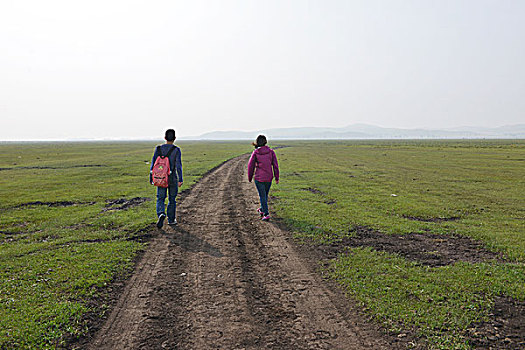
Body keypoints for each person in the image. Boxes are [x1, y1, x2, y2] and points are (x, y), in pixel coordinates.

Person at [150, 129, 183, 228]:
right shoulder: (176, 150)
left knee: (160, 198)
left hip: (160, 177)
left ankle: (160, 213)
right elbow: (178, 166)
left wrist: (151, 177)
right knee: (172, 199)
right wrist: (180, 179)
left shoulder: (158, 149)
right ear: (175, 138)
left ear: (164, 138)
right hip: (172, 178)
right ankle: (171, 220)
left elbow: (153, 164)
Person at [247, 135, 279, 221]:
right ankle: (262, 209)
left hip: (259, 178)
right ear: (265, 142)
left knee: (262, 196)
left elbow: (251, 166)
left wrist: (250, 177)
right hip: (269, 178)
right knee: (264, 195)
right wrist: (276, 177)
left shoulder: (256, 152)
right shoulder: (271, 152)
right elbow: (275, 166)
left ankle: (266, 214)